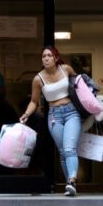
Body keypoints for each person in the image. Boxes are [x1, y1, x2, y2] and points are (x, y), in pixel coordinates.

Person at [20, 46, 80, 196]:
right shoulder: (37, 79)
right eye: (43, 56)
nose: (46, 58)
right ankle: (70, 185)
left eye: (49, 55)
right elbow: (34, 101)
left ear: (55, 57)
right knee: (62, 152)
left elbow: (79, 84)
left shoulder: (65, 69)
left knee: (69, 148)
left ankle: (72, 180)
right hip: (54, 116)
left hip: (72, 112)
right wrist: (26, 114)